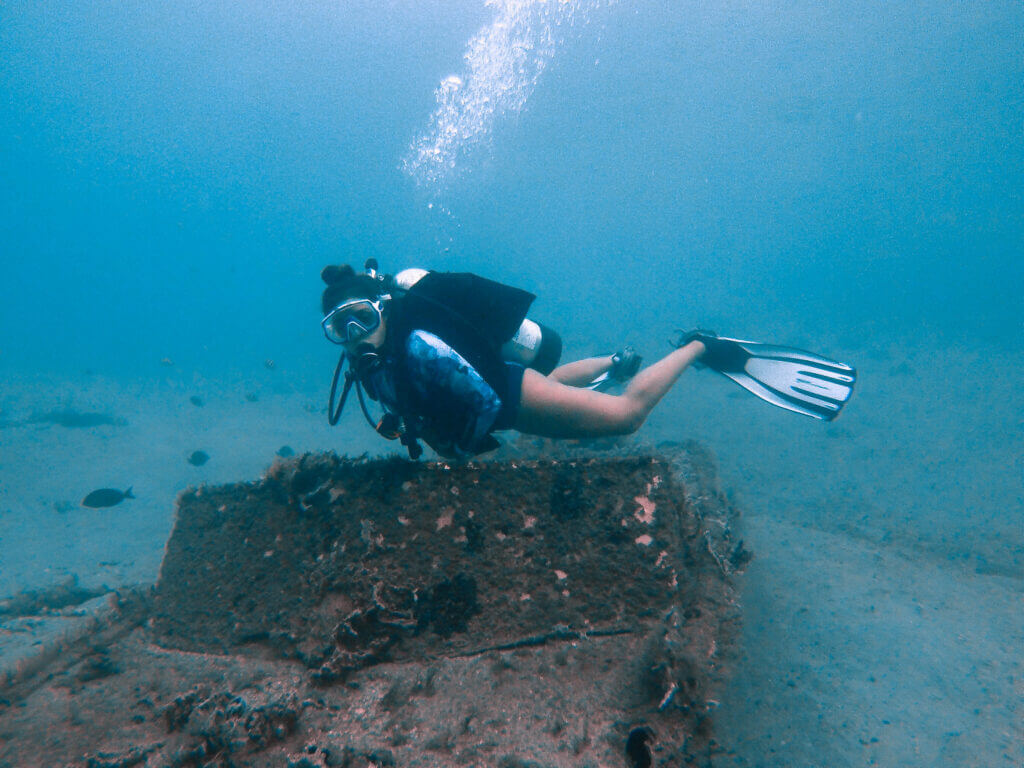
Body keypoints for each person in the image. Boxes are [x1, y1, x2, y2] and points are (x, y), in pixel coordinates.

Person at [320, 261, 708, 460]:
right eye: (341, 328)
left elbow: (486, 401)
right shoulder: (369, 367)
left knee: (626, 416)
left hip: (510, 397)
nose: (356, 334)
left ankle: (700, 346)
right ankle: (615, 361)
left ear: (383, 310)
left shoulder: (419, 347)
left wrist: (460, 452)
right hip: (510, 384)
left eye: (363, 318)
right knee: (550, 382)